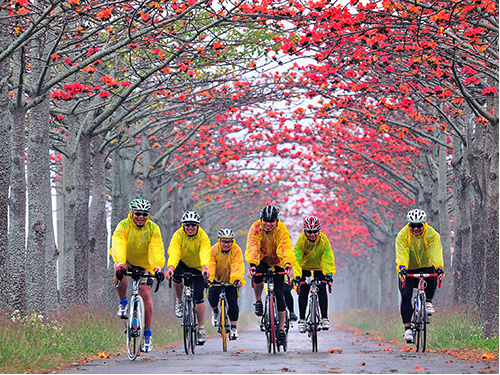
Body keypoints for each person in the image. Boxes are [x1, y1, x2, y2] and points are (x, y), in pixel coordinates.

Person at [110, 198, 165, 353]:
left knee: (145, 293)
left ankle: (147, 334)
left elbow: (156, 248)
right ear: (132, 213)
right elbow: (118, 243)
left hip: (146, 264)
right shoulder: (123, 225)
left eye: (144, 214)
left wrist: (157, 268)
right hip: (127, 259)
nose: (141, 217)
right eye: (138, 214)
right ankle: (123, 302)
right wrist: (120, 263)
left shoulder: (153, 229)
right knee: (118, 271)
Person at [246, 205, 295, 346]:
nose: (268, 224)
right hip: (261, 259)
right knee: (258, 276)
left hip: (278, 261)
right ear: (261, 220)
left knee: (279, 294)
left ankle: (280, 330)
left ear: (276, 221)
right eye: (265, 221)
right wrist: (253, 265)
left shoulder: (281, 230)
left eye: (271, 221)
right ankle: (258, 301)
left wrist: (287, 264)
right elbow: (252, 246)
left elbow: (284, 247)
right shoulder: (255, 228)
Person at [396, 208, 445, 343]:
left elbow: (435, 251)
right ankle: (407, 330)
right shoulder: (402, 235)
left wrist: (439, 267)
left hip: (426, 265)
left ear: (425, 224)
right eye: (413, 226)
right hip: (408, 268)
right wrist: (402, 268)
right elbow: (402, 253)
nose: (416, 228)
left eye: (419, 226)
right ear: (408, 225)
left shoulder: (432, 234)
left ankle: (428, 301)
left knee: (433, 275)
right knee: (406, 295)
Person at [165, 210, 211, 345]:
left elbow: (205, 252)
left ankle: (201, 329)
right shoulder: (178, 235)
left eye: (193, 225)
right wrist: (171, 267)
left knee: (199, 297)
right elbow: (174, 251)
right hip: (183, 263)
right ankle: (179, 302)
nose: (190, 227)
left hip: (198, 266)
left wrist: (204, 268)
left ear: (198, 226)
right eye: (187, 225)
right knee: (176, 277)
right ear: (183, 225)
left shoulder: (203, 236)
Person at [293, 216, 335, 333]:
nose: (312, 234)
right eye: (309, 232)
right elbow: (296, 257)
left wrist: (329, 274)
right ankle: (302, 320)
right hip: (304, 267)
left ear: (319, 230)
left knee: (322, 289)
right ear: (305, 231)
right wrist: (296, 276)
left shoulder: (323, 240)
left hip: (319, 267)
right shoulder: (301, 240)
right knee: (304, 290)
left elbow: (328, 257)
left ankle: (324, 318)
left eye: (315, 231)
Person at [207, 228, 246, 340]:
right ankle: (215, 311)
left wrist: (237, 279)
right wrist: (209, 278)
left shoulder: (236, 250)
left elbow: (237, 265)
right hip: (216, 278)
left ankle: (234, 327)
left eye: (229, 242)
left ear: (232, 242)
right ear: (219, 241)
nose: (226, 244)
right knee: (212, 297)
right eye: (223, 241)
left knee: (233, 303)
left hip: (231, 280)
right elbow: (210, 264)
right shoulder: (214, 249)